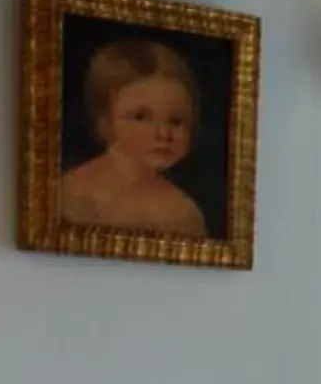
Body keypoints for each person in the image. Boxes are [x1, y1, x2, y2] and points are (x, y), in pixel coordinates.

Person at [58, 38, 209, 237]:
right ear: (105, 121)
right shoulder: (69, 195)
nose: (163, 134)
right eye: (141, 117)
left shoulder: (183, 213)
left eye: (175, 120)